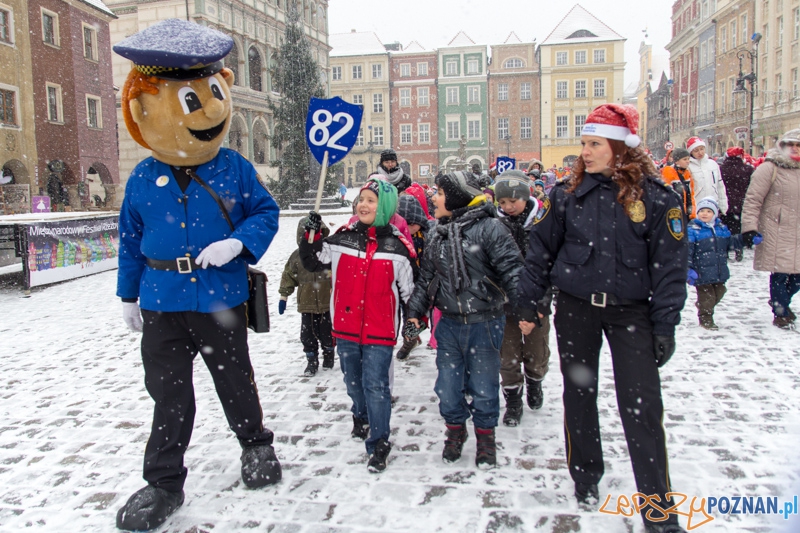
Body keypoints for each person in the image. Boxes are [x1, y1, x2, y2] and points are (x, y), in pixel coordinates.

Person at [113, 20, 282, 531]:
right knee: (168, 394)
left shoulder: (232, 166)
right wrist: (128, 295)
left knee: (235, 380)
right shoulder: (142, 176)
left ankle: (255, 445)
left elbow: (266, 213)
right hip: (161, 301)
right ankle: (163, 482)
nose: (210, 110)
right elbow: (128, 239)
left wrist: (239, 242)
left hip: (219, 296)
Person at [517, 104, 688, 533]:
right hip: (576, 309)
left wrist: (665, 324)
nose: (584, 153)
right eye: (584, 144)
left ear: (619, 147)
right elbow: (539, 252)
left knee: (643, 407)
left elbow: (669, 267)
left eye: (594, 144)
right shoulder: (566, 196)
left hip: (632, 313)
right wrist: (529, 301)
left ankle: (658, 508)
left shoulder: (655, 197)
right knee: (579, 396)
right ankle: (585, 476)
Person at [405, 171, 523, 470]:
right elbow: (426, 280)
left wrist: (526, 308)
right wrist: (415, 314)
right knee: (447, 387)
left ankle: (486, 438)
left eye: (441, 193)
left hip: (485, 322)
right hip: (450, 323)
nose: (434, 198)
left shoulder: (490, 229)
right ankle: (455, 432)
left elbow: (513, 270)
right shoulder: (437, 233)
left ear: (456, 199)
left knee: (484, 387)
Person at [299, 177, 415, 472]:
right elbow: (313, 260)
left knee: (376, 385)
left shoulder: (398, 249)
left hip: (380, 331)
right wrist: (311, 234)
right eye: (361, 199)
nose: (363, 204)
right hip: (346, 328)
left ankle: (379, 442)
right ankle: (360, 415)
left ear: (385, 207)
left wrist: (413, 324)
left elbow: (409, 294)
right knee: (353, 382)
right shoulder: (342, 239)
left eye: (371, 200)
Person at [494, 170, 552, 426]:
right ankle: (513, 398)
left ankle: (535, 380)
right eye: (502, 202)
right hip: (504, 304)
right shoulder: (495, 225)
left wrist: (542, 305)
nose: (507, 207)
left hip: (536, 303)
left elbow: (550, 267)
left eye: (512, 201)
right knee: (507, 355)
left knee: (536, 352)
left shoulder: (543, 223)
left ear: (525, 198)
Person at [742, 129, 800, 330]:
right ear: (782, 147)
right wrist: (749, 227)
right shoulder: (769, 168)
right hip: (777, 228)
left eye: (798, 145)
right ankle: (781, 311)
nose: (794, 148)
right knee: (781, 272)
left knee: (797, 275)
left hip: (798, 230)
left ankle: (781, 301)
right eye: (790, 144)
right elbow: (753, 199)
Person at [279, 218, 334, 376]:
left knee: (327, 332)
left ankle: (329, 355)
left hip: (327, 303)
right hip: (306, 304)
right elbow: (288, 275)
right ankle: (311, 360)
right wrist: (284, 295)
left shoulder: (327, 254)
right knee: (307, 335)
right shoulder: (297, 256)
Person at [395, 193, 431, 360]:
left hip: (421, 281)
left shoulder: (426, 235)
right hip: (401, 281)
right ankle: (409, 338)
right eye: (406, 223)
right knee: (404, 311)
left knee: (414, 313)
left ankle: (410, 339)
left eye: (413, 223)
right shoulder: (397, 237)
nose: (410, 228)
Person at [687, 198, 732, 330]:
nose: (704, 214)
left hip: (719, 271)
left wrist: (745, 239)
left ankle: (703, 305)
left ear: (715, 214)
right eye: (701, 211)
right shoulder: (693, 230)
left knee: (720, 291)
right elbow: (687, 250)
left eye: (708, 211)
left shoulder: (721, 229)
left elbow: (730, 243)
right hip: (701, 272)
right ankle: (706, 319)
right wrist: (688, 268)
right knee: (707, 297)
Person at [719, 147, 754, 261]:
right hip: (740, 204)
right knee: (737, 228)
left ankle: (725, 251)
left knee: (724, 228)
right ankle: (739, 250)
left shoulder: (721, 169)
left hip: (725, 203)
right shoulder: (747, 169)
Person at [687, 137, 728, 216]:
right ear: (691, 152)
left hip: (713, 205)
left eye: (702, 149)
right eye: (696, 150)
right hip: (697, 207)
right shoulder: (689, 167)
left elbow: (720, 186)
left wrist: (723, 206)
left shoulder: (713, 164)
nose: (700, 152)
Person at [661, 147, 697, 219]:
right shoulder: (668, 173)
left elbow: (691, 195)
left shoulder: (687, 174)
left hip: (686, 214)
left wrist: (692, 213)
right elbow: (665, 196)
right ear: (677, 161)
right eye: (685, 159)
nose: (688, 161)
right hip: (674, 214)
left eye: (688, 159)